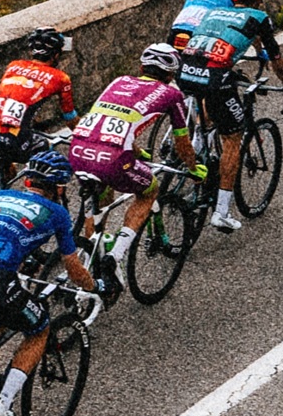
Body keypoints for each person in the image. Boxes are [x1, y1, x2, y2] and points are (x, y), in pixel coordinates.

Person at [0, 151, 97, 416]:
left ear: (28, 179)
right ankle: (2, 404)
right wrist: (93, 289)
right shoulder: (57, 212)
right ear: (58, 187)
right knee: (38, 329)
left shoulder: (2, 196)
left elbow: (0, 234)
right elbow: (73, 266)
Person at [67, 43, 201, 289]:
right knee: (149, 190)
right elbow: (182, 142)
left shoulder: (118, 81)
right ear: (171, 75)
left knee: (100, 201)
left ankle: (93, 258)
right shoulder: (172, 94)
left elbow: (110, 122)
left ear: (141, 67)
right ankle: (114, 256)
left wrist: (139, 151)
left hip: (78, 150)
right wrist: (193, 169)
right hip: (114, 159)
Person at [177, 0, 283, 233]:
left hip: (186, 71)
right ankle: (221, 212)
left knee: (210, 110)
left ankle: (198, 151)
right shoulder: (258, 18)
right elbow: (276, 58)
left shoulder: (214, 12)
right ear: (257, 0)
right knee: (233, 137)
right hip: (214, 77)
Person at [0, 29, 77, 199]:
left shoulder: (13, 66)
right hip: (13, 139)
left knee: (3, 177)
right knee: (48, 164)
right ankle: (42, 208)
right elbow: (70, 118)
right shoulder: (60, 78)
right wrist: (84, 136)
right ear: (56, 54)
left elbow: (16, 96)